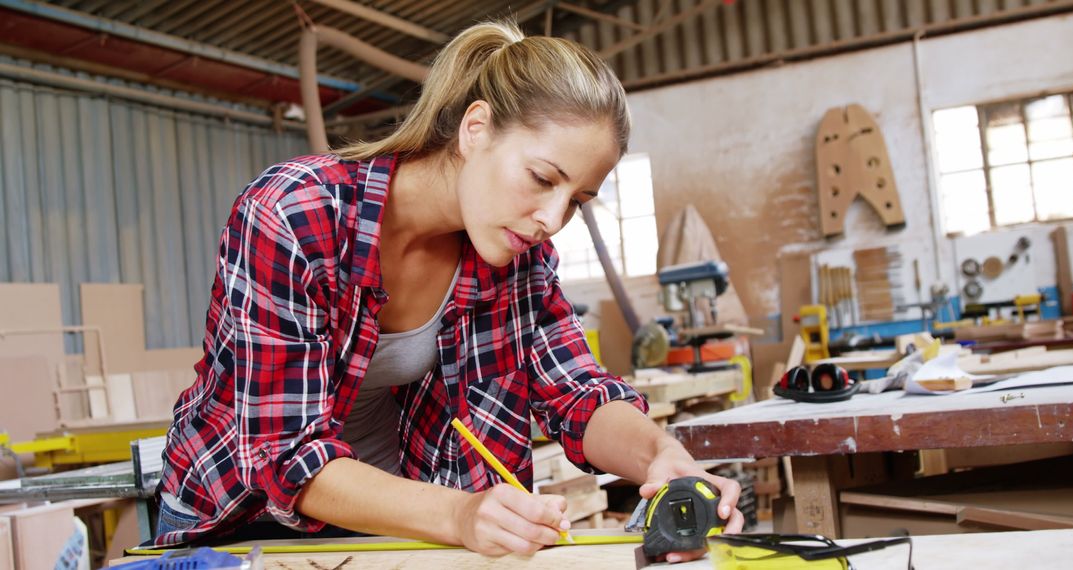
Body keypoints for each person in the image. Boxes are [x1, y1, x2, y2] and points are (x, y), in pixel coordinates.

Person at [154, 20, 743, 562]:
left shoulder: (518, 256)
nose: (551, 218)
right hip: (242, 525)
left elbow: (577, 391)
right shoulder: (294, 215)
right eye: (542, 178)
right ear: (475, 129)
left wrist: (659, 455)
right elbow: (286, 455)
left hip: (389, 520)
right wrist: (460, 514)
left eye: (577, 201)